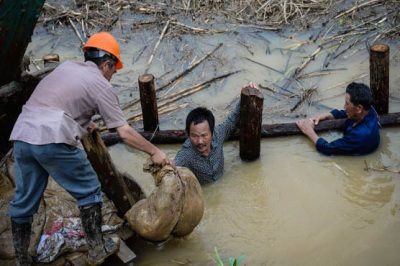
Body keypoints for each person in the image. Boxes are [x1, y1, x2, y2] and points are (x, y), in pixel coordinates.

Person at [8, 32, 170, 266]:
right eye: (113, 71)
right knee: (90, 191)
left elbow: (59, 102)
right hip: (53, 138)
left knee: (24, 201)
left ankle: (22, 260)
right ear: (106, 64)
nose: (112, 76)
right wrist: (155, 151)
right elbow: (124, 132)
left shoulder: (66, 68)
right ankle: (96, 249)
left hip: (23, 134)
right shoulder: (99, 83)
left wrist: (82, 122)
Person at [175, 82, 258, 184]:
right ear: (188, 134)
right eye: (194, 136)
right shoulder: (186, 154)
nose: (200, 141)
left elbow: (231, 120)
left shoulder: (218, 135)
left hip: (224, 181)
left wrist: (244, 97)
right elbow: (173, 171)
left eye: (204, 135)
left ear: (212, 132)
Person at [296, 82, 380, 156]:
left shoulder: (359, 136)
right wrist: (328, 115)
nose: (344, 106)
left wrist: (309, 131)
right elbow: (346, 114)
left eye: (347, 103)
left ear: (359, 108)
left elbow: (327, 149)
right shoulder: (369, 109)